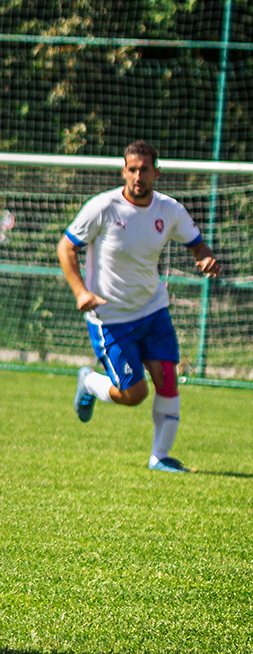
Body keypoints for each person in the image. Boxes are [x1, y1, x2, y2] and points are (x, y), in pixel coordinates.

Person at [58, 142, 221, 472]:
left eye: (144, 169)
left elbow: (197, 245)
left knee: (167, 379)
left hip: (152, 310)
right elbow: (66, 247)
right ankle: (89, 382)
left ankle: (160, 457)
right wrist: (80, 292)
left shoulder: (169, 209)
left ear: (156, 173)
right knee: (135, 394)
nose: (137, 176)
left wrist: (206, 257)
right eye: (132, 169)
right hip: (111, 318)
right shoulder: (103, 207)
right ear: (123, 171)